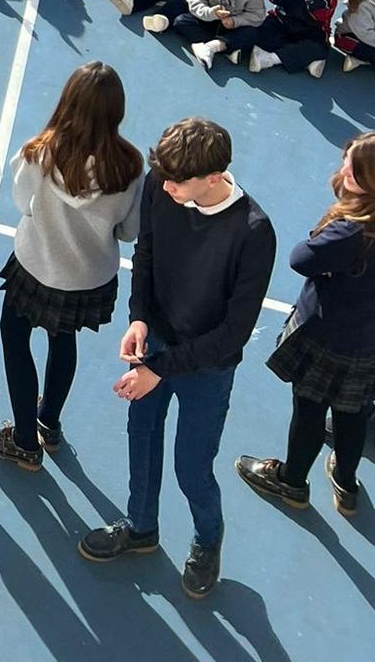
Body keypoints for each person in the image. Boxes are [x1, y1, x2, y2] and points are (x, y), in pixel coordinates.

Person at [78, 116, 275, 601]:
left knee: (192, 467)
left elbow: (233, 335)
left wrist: (157, 371)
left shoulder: (254, 232)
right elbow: (145, 254)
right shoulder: (159, 186)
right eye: (162, 177)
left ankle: (208, 542)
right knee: (141, 437)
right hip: (155, 347)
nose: (165, 187)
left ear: (214, 176)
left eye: (177, 181)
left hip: (207, 368)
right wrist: (139, 317)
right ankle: (141, 526)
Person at [0, 63, 144, 470]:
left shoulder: (40, 153)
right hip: (89, 277)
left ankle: (23, 440)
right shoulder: (130, 166)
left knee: (15, 339)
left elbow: (22, 204)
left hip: (37, 268)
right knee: (63, 341)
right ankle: (48, 421)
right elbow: (129, 231)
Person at [236, 132, 375, 517]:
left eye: (353, 168)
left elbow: (301, 258)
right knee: (353, 412)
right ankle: (346, 482)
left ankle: (292, 481)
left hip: (327, 337)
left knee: (310, 409)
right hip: (368, 343)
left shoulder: (351, 231)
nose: (344, 166)